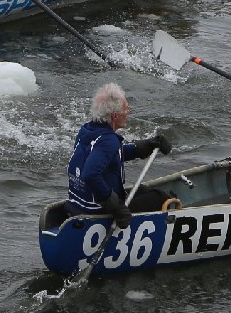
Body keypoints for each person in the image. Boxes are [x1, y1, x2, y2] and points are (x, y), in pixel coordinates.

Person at [66, 83, 170, 219]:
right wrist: (116, 208)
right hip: (96, 213)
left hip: (75, 207)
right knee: (161, 197)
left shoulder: (87, 131)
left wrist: (146, 146)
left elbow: (106, 156)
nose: (128, 112)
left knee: (143, 190)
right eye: (126, 108)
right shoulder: (108, 140)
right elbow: (90, 174)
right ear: (115, 116)